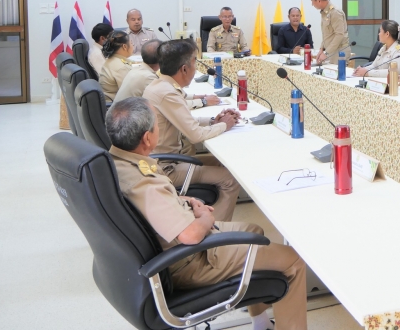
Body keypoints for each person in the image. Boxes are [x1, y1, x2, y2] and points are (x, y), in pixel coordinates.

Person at [106, 97, 308, 330]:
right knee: (293, 261)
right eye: (156, 125)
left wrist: (183, 201)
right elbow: (190, 235)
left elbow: (151, 205)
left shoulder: (118, 163)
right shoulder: (145, 184)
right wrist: (205, 217)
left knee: (253, 230)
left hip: (173, 248)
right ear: (147, 138)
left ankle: (260, 322)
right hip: (190, 261)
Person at [143, 39, 242, 221]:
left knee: (221, 163)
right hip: (165, 167)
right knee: (231, 179)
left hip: (162, 160)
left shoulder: (161, 85)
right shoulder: (167, 93)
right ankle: (215, 230)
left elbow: (186, 121)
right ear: (184, 69)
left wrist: (214, 121)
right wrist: (225, 125)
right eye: (195, 62)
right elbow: (195, 135)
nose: (196, 68)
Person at [115, 40, 222, 108]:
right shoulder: (149, 78)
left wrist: (196, 96)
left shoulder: (139, 70)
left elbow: (174, 97)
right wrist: (203, 101)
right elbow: (174, 105)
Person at [308, 0, 351, 64]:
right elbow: (327, 35)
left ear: (319, 0)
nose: (312, 4)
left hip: (339, 52)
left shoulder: (335, 12)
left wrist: (326, 53)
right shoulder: (324, 12)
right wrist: (321, 49)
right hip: (330, 51)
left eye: (312, 1)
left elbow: (339, 35)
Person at [98, 30, 134, 101]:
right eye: (131, 43)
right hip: (115, 104)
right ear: (124, 47)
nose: (133, 46)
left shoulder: (111, 59)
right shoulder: (121, 68)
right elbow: (129, 93)